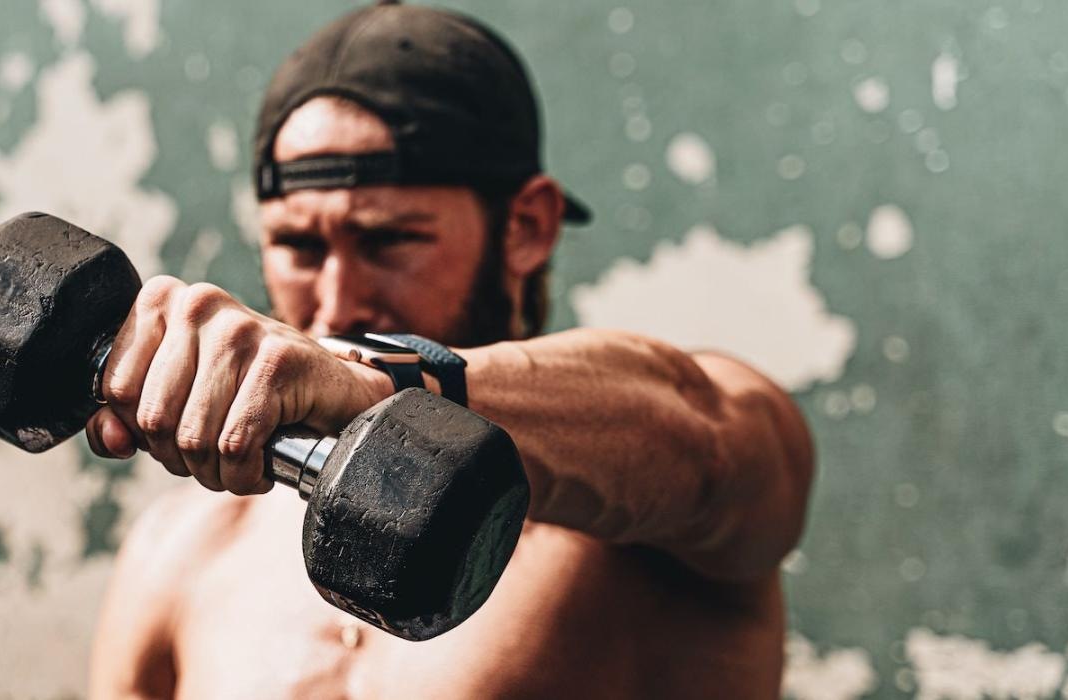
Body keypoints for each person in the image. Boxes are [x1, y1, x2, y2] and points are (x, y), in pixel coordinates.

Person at [84, 2, 814, 697]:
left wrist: (383, 386)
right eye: (299, 247)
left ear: (526, 226)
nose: (336, 303)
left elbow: (710, 438)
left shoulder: (652, 508)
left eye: (390, 240)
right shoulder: (180, 551)